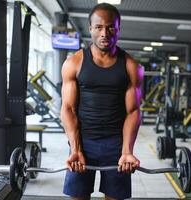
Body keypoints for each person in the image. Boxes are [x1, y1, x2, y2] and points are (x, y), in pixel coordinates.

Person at [60, 3, 143, 200]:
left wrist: (127, 151)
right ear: (90, 29)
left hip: (116, 144)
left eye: (111, 27)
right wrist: (76, 148)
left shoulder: (132, 66)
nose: (105, 33)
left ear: (118, 29)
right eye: (99, 27)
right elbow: (68, 109)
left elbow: (133, 111)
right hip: (83, 141)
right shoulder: (74, 63)